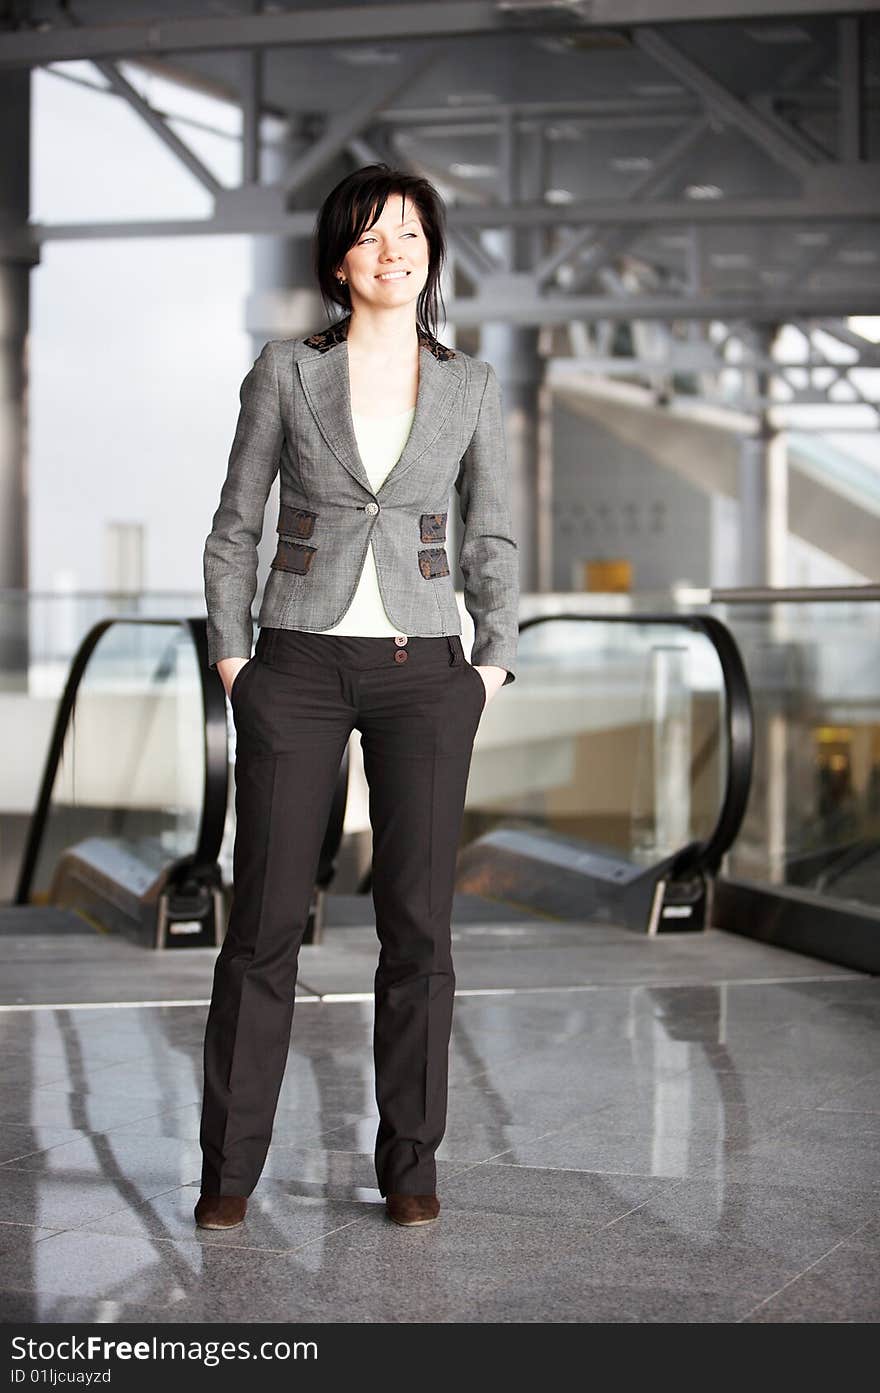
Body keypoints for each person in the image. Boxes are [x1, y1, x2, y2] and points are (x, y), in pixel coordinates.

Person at [194, 164, 519, 1231]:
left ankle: (412, 1168)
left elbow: (493, 532)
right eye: (375, 237)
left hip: (424, 675)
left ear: (430, 253)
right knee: (265, 925)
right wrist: (235, 660)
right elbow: (235, 522)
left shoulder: (468, 385)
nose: (397, 252)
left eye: (413, 235)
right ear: (340, 259)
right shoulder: (288, 372)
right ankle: (229, 1174)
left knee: (420, 927)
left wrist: (491, 659)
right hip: (294, 668)